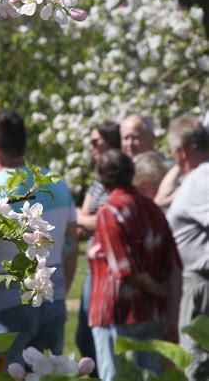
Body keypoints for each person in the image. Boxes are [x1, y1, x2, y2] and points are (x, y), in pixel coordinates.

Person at [0, 110, 78, 364]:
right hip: (51, 299)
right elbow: (71, 244)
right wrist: (61, 290)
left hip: (3, 308)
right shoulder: (57, 183)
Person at [88, 149, 182, 381]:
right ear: (132, 173)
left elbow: (125, 271)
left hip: (116, 314)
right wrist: (170, 306)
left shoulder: (109, 211)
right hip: (150, 314)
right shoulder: (152, 208)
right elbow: (174, 264)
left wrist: (161, 292)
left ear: (101, 179)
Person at [75, 121, 120, 378]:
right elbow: (83, 216)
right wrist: (87, 219)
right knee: (85, 333)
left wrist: (87, 219)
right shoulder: (98, 180)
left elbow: (106, 218)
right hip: (93, 265)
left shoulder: (120, 176)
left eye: (96, 141)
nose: (92, 146)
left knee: (100, 332)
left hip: (109, 265)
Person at [166, 116, 209, 380]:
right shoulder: (197, 177)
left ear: (181, 151)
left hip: (199, 289)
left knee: (195, 364)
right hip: (194, 285)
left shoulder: (201, 180)